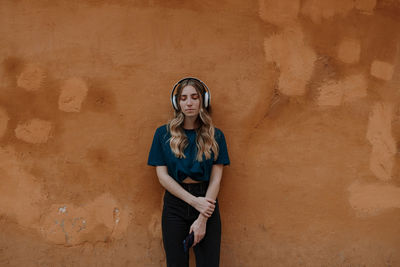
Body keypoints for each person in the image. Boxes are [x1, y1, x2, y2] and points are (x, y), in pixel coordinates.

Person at [147, 77, 230, 267]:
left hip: (207, 202)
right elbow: (162, 176)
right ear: (177, 102)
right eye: (184, 98)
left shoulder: (216, 136)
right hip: (175, 205)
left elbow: (216, 180)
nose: (189, 103)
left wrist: (202, 216)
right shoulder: (163, 134)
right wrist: (194, 202)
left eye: (194, 97)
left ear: (203, 101)